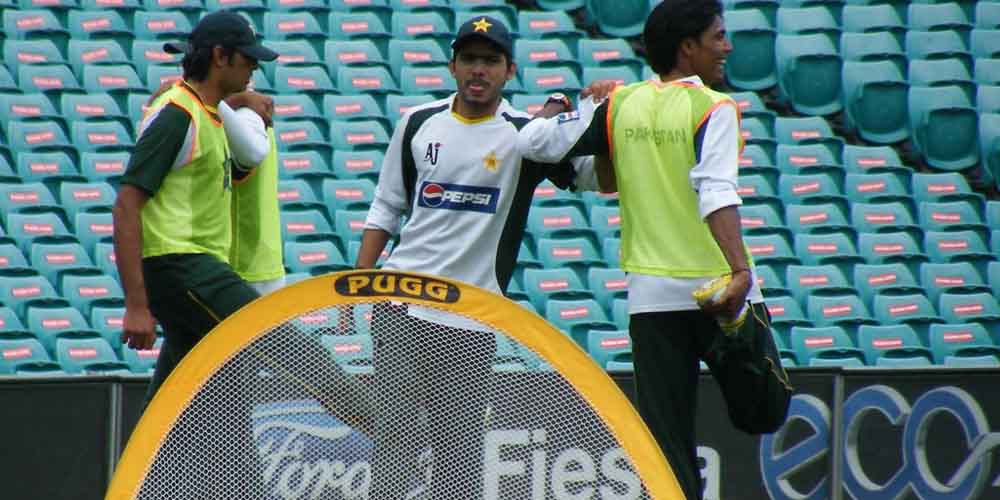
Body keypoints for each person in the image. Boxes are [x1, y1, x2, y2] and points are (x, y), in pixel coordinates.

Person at [518, 1, 791, 498]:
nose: (728, 47)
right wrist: (739, 273)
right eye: (718, 36)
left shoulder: (621, 104)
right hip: (719, 289)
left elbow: (535, 143)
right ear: (688, 47)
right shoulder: (714, 107)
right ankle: (735, 325)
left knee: (666, 454)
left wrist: (562, 103)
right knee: (766, 411)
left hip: (652, 299)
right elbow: (715, 191)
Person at [355, 16, 614, 499]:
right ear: (452, 66)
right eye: (470, 59)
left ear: (509, 70)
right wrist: (360, 285)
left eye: (491, 61)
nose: (479, 70)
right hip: (401, 308)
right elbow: (386, 207)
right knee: (395, 442)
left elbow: (599, 180)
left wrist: (601, 115)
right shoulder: (418, 122)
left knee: (460, 458)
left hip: (472, 319)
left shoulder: (526, 136)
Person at [113, 10, 280, 404]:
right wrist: (136, 305)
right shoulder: (178, 114)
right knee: (272, 335)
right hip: (181, 264)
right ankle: (376, 418)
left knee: (189, 398)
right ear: (220, 56)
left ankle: (147, 451)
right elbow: (126, 206)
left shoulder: (207, 114)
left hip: (191, 267)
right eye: (247, 59)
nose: (254, 68)